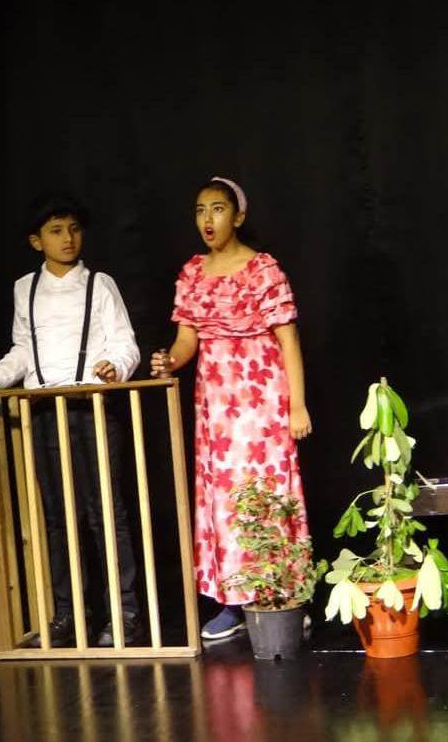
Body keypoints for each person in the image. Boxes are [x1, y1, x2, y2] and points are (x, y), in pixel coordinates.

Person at [0, 193, 142, 647]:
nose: (68, 238)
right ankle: (67, 613)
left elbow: (125, 343)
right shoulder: (26, 288)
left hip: (91, 408)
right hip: (43, 410)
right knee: (56, 517)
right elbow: (23, 350)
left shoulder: (99, 284)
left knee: (105, 513)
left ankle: (125, 611)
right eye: (56, 231)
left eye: (73, 229)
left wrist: (115, 366)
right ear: (37, 241)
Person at [151, 177, 313, 641]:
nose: (208, 219)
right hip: (217, 406)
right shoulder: (192, 273)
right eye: (200, 210)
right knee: (223, 499)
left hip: (261, 400)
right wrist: (170, 360)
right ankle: (233, 601)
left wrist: (297, 405)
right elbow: (187, 339)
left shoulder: (263, 269)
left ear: (237, 216)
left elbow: (288, 339)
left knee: (265, 493)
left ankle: (285, 596)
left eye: (218, 209)